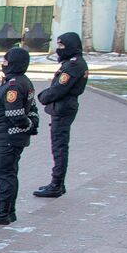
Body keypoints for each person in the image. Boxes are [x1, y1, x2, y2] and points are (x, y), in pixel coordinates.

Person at [0, 46, 38, 224]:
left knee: (4, 174)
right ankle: (9, 211)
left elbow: (15, 114)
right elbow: (33, 109)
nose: (3, 64)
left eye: (5, 61)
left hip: (7, 137)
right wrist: (31, 125)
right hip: (13, 137)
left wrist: (27, 125)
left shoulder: (13, 85)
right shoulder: (23, 81)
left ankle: (2, 213)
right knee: (10, 173)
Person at [34, 31, 88, 198]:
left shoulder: (73, 66)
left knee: (59, 147)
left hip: (63, 108)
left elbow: (59, 88)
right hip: (64, 107)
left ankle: (56, 184)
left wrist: (43, 97)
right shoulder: (74, 63)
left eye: (62, 45)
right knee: (59, 145)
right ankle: (57, 183)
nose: (59, 49)